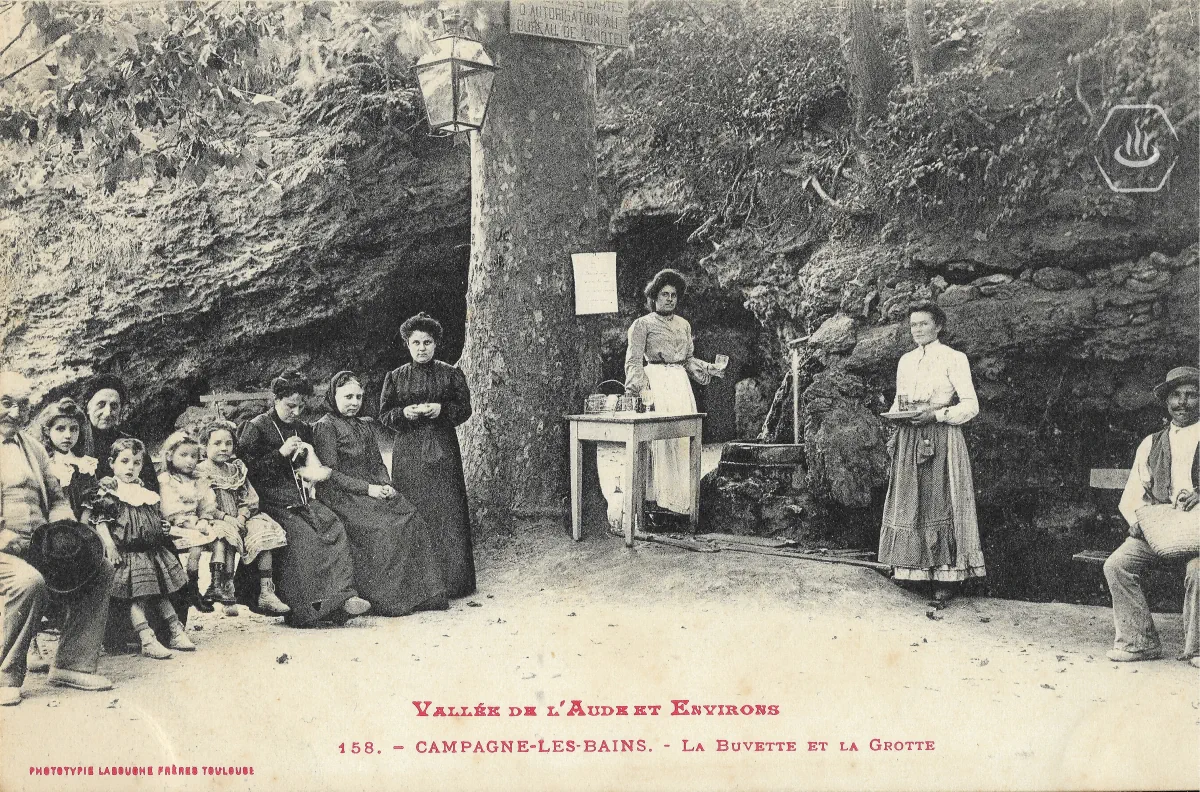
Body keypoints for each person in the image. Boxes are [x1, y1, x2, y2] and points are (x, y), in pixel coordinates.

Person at [0, 371, 115, 706]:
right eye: (6, 403)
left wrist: (63, 523)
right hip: (5, 550)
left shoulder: (33, 448)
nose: (15, 412)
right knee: (27, 582)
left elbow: (57, 496)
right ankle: (4, 674)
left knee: (100, 568)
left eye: (21, 405)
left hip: (37, 545)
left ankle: (71, 664)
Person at [237, 371, 369, 626]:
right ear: (275, 399)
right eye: (290, 406)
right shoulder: (256, 427)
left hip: (300, 497)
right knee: (303, 538)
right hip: (270, 501)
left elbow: (313, 464)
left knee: (333, 525)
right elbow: (245, 471)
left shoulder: (301, 427)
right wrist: (280, 453)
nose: (296, 412)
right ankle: (306, 610)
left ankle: (343, 600)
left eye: (301, 406)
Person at [314, 371, 448, 615]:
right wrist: (369, 489)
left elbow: (376, 462)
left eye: (358, 397)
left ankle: (423, 593)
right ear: (334, 397)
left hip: (371, 489)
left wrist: (386, 484)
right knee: (385, 527)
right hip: (341, 494)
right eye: (347, 397)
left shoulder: (364, 425)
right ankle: (390, 599)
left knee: (409, 514)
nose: (354, 402)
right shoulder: (326, 427)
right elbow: (330, 473)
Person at [877, 303, 985, 604]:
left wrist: (935, 416)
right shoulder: (906, 361)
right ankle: (915, 572)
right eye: (913, 325)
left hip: (941, 435)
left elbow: (970, 405)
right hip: (910, 436)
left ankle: (946, 576)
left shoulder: (953, 358)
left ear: (938, 326)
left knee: (940, 501)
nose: (918, 330)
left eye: (924, 324)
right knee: (913, 499)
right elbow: (901, 402)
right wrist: (897, 416)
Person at [1104, 366, 1199, 667]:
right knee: (1117, 564)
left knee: (1198, 572)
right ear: (1166, 402)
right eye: (1175, 396)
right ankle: (1140, 641)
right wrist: (1137, 521)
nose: (1183, 403)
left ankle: (1197, 648)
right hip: (1161, 531)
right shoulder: (1152, 442)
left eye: (1191, 395)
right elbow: (1135, 491)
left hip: (1197, 533)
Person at [379, 313, 476, 599]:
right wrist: (403, 413)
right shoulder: (395, 377)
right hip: (409, 452)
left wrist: (442, 411)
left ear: (436, 345)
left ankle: (454, 582)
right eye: (416, 342)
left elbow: (465, 408)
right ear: (407, 345)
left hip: (443, 451)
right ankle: (417, 581)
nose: (422, 348)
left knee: (447, 512)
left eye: (427, 342)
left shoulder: (450, 373)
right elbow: (384, 414)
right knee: (414, 508)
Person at [84, 438, 194, 659]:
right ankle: (146, 638)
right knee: (139, 598)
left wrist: (162, 526)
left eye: (136, 463)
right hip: (129, 554)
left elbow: (149, 518)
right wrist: (110, 546)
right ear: (112, 463)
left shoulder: (142, 491)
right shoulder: (110, 493)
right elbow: (101, 522)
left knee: (162, 593)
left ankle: (175, 630)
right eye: (124, 461)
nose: (130, 468)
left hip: (152, 552)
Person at [623, 268, 720, 516]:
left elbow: (688, 360)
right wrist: (642, 389)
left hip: (679, 385)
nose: (669, 299)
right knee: (660, 442)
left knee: (682, 440)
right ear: (654, 297)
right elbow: (633, 362)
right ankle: (655, 504)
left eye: (673, 295)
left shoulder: (684, 325)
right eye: (664, 294)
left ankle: (683, 505)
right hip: (657, 383)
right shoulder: (642, 325)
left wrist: (709, 368)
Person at [196, 419, 290, 616]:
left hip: (241, 516)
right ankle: (227, 591)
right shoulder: (201, 471)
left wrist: (243, 515)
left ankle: (266, 591)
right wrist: (226, 517)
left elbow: (249, 497)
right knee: (227, 536)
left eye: (228, 443)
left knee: (264, 533)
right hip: (216, 518)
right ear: (205, 446)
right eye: (217, 443)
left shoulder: (236, 468)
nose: (223, 448)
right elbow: (204, 502)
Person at [158, 431, 242, 616]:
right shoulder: (166, 480)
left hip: (195, 523)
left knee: (219, 536)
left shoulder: (198, 479)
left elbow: (206, 504)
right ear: (170, 456)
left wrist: (204, 519)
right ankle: (192, 588)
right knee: (196, 547)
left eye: (194, 456)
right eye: (184, 455)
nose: (190, 461)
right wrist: (188, 522)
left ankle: (216, 583)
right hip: (175, 524)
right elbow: (167, 508)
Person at [77, 374, 157, 492]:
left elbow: (151, 486)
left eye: (114, 406)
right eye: (101, 404)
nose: (108, 412)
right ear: (87, 407)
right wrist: (96, 485)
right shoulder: (75, 441)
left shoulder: (130, 443)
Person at [36, 397, 98, 519]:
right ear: (47, 431)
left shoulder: (84, 465)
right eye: (60, 429)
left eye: (74, 429)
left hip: (80, 525)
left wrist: (82, 526)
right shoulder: (43, 464)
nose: (68, 435)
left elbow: (90, 500)